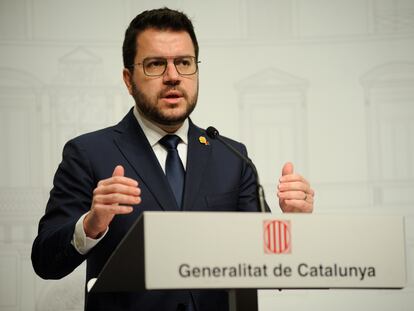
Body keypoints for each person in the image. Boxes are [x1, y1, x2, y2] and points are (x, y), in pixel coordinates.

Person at [32, 7, 314, 311]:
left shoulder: (233, 157)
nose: (173, 77)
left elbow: (267, 264)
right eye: (155, 64)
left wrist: (292, 224)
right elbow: (46, 262)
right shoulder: (88, 154)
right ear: (129, 80)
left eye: (184, 63)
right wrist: (90, 225)